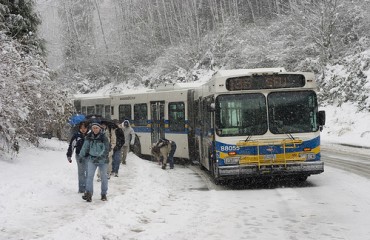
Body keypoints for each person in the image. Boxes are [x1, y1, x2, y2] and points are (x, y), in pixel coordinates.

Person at [79, 122, 110, 202]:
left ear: (100, 129)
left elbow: (106, 149)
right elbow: (85, 147)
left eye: (96, 128)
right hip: (92, 159)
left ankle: (103, 193)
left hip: (103, 161)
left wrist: (100, 157)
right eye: (93, 128)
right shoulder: (89, 137)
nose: (95, 129)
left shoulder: (104, 138)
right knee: (89, 176)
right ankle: (89, 193)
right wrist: (81, 156)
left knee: (104, 177)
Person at [66, 121, 88, 193]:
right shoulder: (76, 136)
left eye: (85, 128)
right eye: (81, 128)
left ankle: (88, 188)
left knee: (88, 172)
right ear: (79, 128)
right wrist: (69, 155)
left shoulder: (90, 135)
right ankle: (82, 189)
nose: (83, 129)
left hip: (89, 156)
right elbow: (71, 146)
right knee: (81, 172)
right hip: (79, 156)